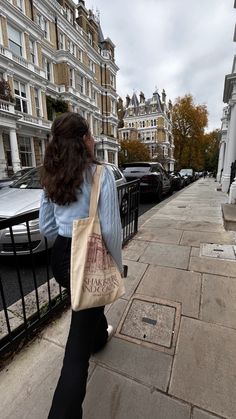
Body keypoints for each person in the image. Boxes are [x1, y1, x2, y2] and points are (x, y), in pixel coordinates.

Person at [39, 112, 123, 419]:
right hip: (86, 256)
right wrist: (117, 263)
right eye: (90, 135)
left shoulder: (50, 174)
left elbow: (46, 227)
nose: (94, 140)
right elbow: (112, 230)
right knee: (76, 354)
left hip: (61, 259)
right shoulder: (100, 174)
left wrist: (67, 230)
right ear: (84, 140)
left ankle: (99, 336)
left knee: (87, 306)